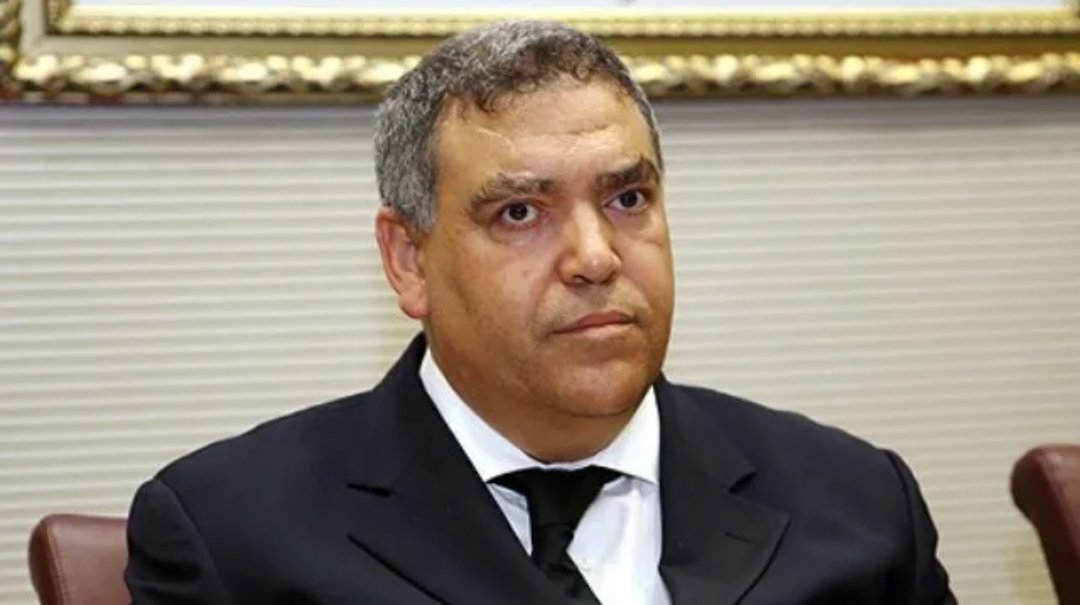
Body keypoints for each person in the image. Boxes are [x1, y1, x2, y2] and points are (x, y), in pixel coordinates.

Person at [124, 20, 955, 605]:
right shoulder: (233, 537)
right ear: (409, 260)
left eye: (627, 198)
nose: (595, 257)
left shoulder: (858, 501)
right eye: (520, 212)